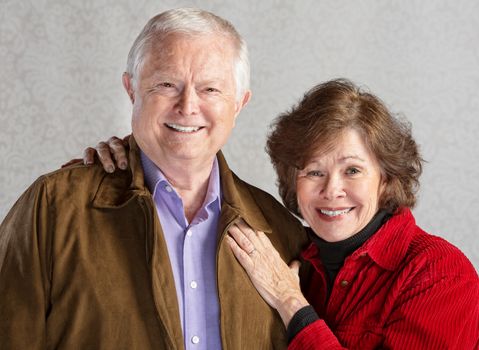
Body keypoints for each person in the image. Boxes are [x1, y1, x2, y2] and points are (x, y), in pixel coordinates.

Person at [0, 8, 307, 349]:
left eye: (210, 89)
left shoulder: (281, 232)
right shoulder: (53, 208)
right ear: (131, 89)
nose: (188, 105)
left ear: (239, 103)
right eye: (166, 84)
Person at [225, 79, 479, 348]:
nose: (332, 190)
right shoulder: (287, 256)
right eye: (314, 171)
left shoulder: (439, 273)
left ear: (386, 179)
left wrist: (290, 302)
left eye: (352, 171)